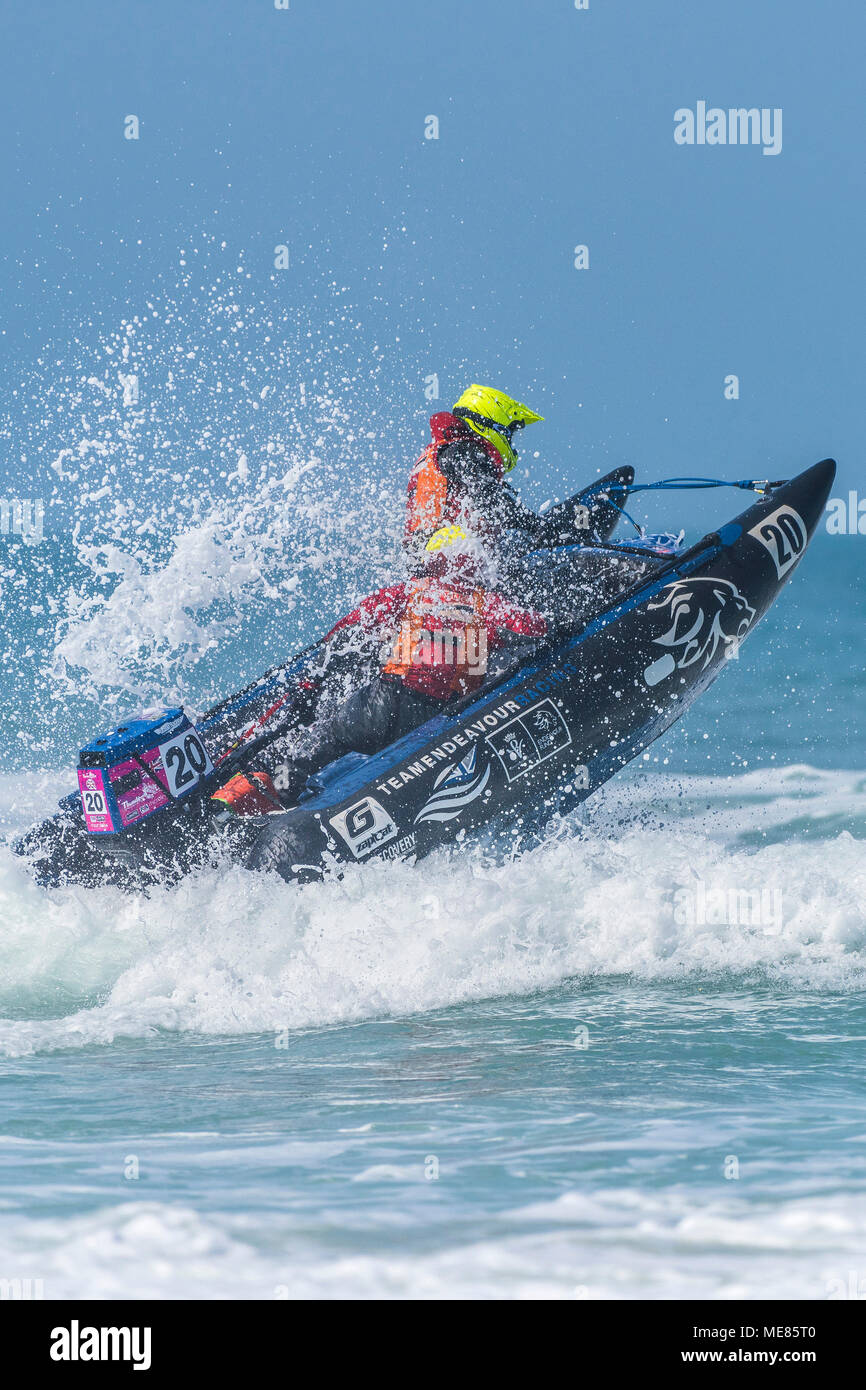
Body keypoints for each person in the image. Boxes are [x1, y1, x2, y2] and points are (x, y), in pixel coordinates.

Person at [211, 385, 572, 818]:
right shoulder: (460, 454)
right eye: (510, 434)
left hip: (383, 692)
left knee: (319, 744)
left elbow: (356, 624)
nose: (511, 447)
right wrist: (544, 546)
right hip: (422, 706)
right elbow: (528, 619)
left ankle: (249, 796)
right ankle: (274, 796)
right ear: (490, 423)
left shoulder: (417, 584)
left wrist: (312, 681)